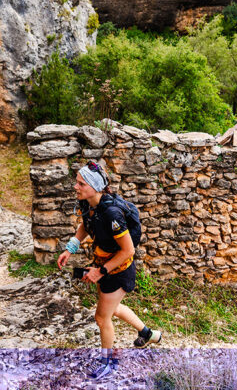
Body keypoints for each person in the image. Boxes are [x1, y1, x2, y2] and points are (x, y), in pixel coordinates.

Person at [57, 161, 161, 380]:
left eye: (81, 184)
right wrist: (70, 249)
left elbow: (128, 251)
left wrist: (99, 272)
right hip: (104, 265)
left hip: (118, 271)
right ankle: (148, 334)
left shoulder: (112, 213)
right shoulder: (89, 204)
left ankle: (109, 364)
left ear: (95, 187)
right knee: (112, 309)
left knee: (101, 318)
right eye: (77, 182)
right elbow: (86, 225)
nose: (76, 187)